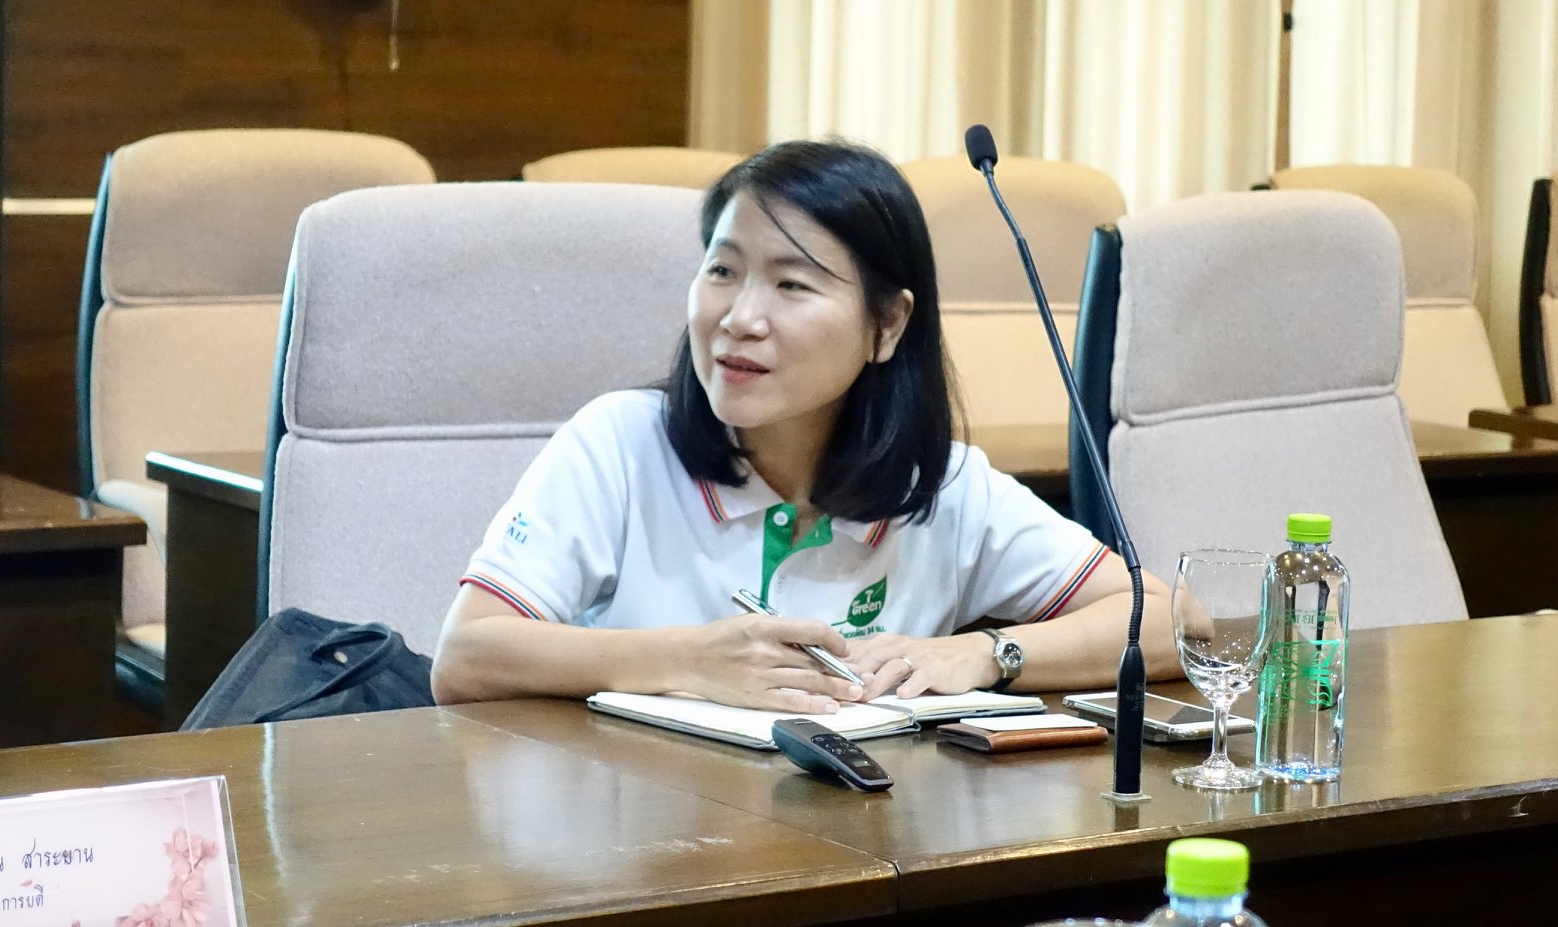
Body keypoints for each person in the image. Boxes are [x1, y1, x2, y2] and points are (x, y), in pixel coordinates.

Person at [431, 139, 1177, 712]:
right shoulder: (620, 443)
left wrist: (987, 653)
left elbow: (1172, 621)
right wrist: (692, 660)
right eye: (722, 271)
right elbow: (467, 655)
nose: (739, 317)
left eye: (791, 284)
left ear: (887, 325)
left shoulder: (944, 487)